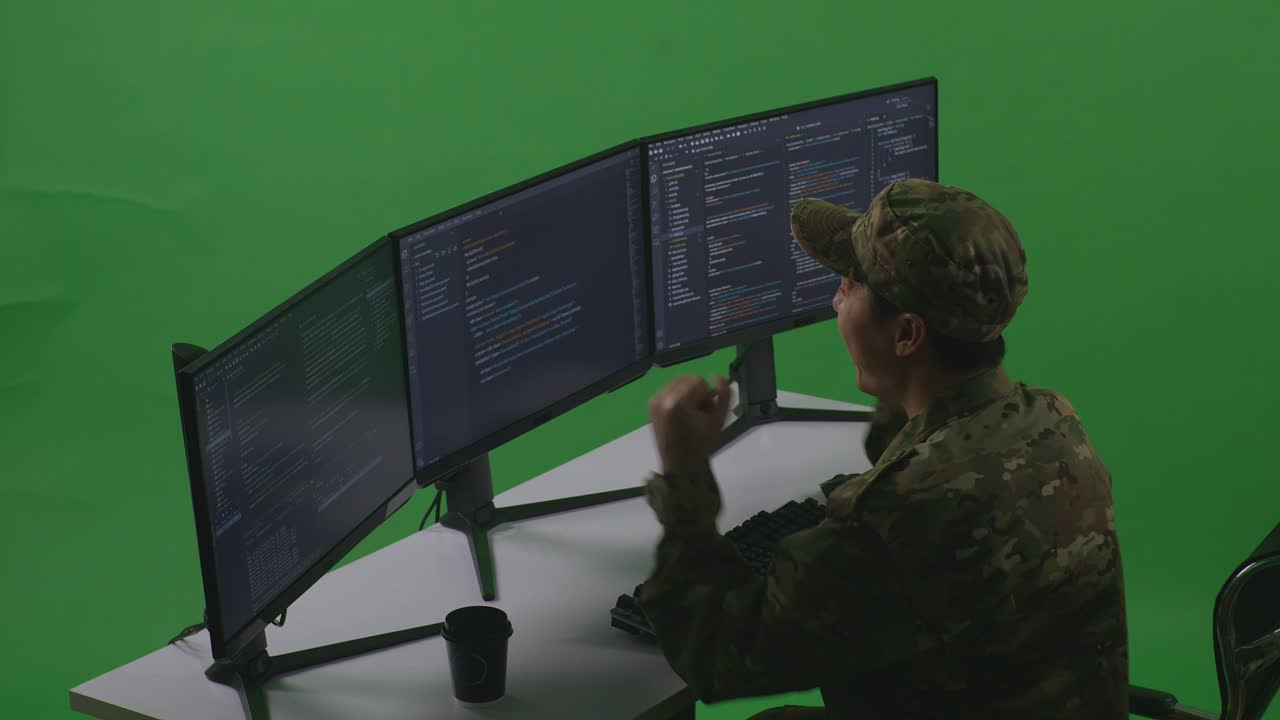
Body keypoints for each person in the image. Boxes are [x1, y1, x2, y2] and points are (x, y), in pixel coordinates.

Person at [637, 178, 1128, 719]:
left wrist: (684, 475)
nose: (835, 302)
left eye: (848, 286)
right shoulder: (1053, 420)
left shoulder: (898, 516)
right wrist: (898, 382)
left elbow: (718, 654)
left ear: (907, 335)